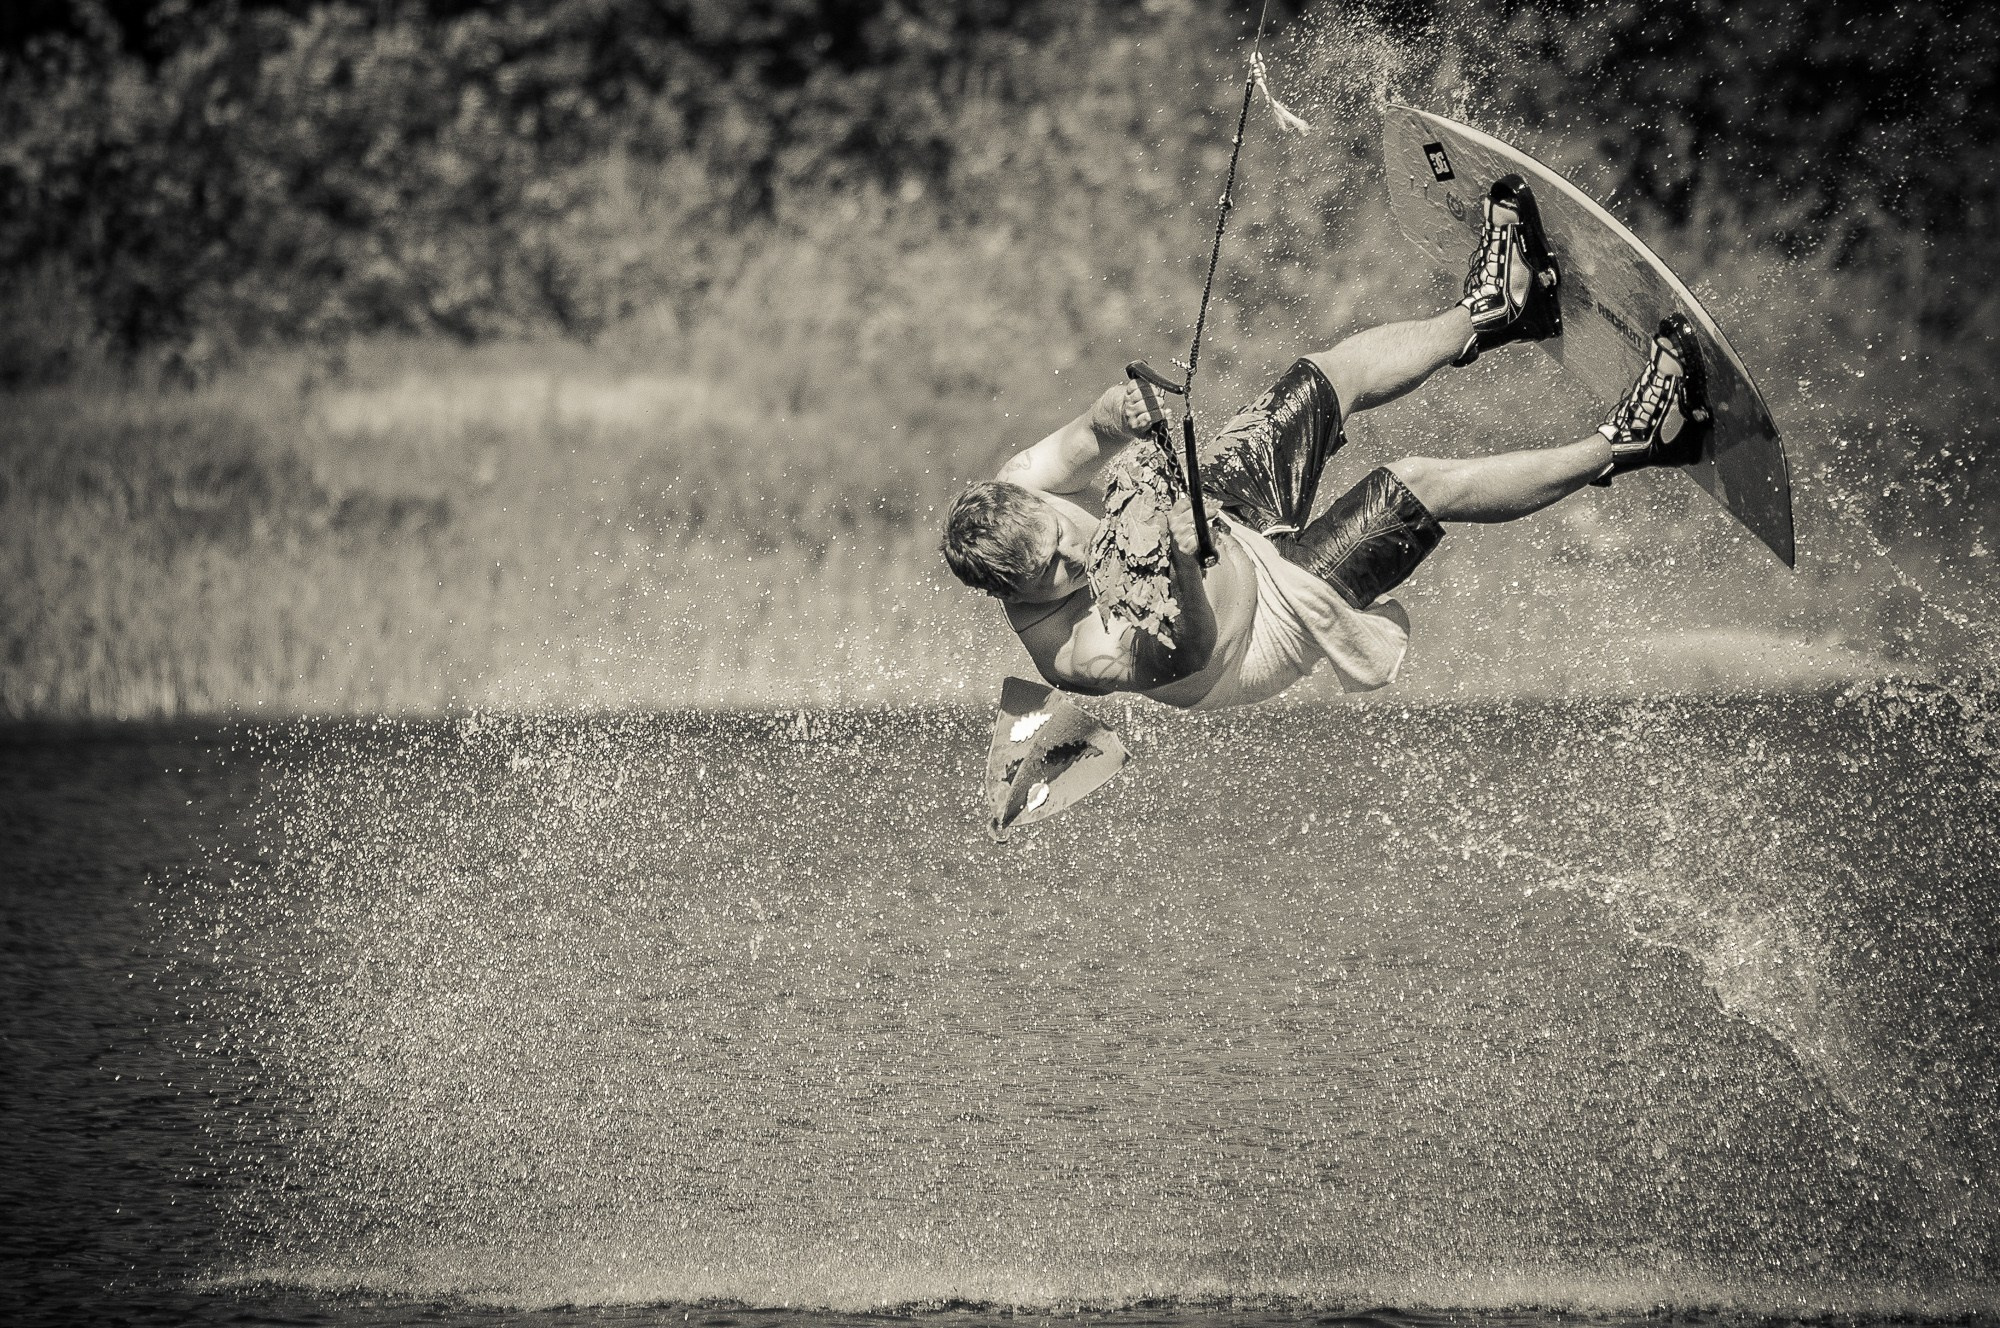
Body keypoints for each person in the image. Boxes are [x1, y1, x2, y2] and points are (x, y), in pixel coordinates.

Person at [939, 176, 1712, 710]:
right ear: (1016, 595)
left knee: (1323, 375)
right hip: (1260, 630)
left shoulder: (1025, 481)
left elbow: (1091, 432)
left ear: (1027, 502)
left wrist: (1122, 411)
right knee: (1416, 484)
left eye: (1058, 540)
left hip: (1218, 510)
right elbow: (1192, 649)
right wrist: (1178, 557)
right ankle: (1639, 439)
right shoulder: (1074, 654)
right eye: (1053, 573)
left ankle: (1497, 311)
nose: (1073, 555)